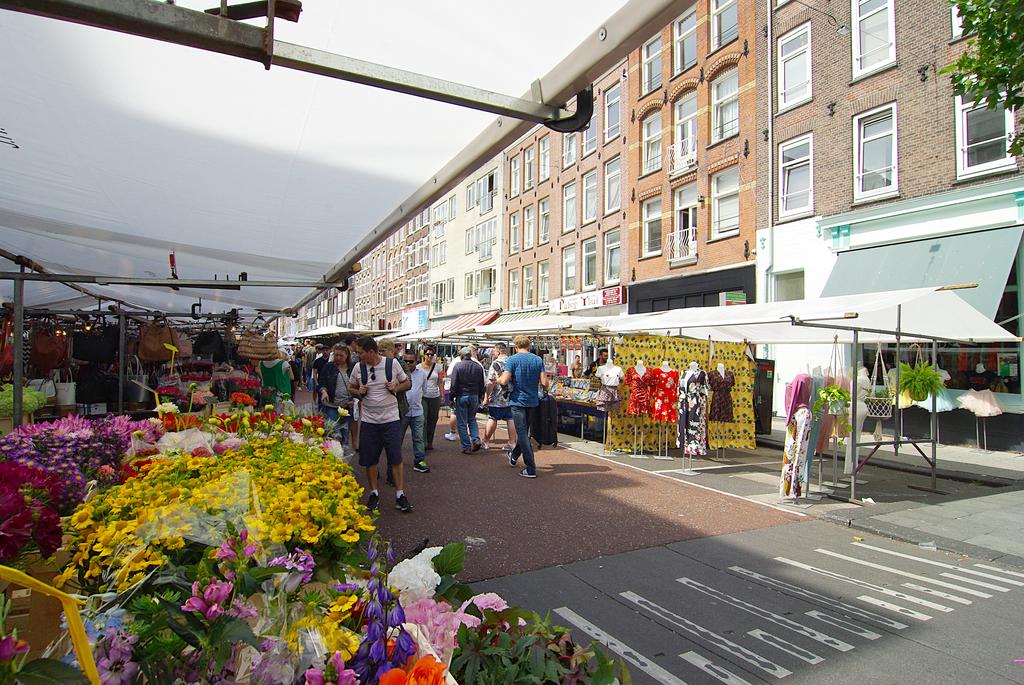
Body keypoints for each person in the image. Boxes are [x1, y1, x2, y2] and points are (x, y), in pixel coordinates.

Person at [349, 336, 412, 513]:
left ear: (371, 351)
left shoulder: (392, 364)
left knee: (396, 458)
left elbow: (406, 382)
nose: (358, 355)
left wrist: (395, 387)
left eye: (361, 353)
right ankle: (374, 493)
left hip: (390, 420)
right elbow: (351, 387)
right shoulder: (358, 367)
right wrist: (358, 391)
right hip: (369, 421)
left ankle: (400, 494)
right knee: (370, 459)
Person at [498, 335, 549, 479]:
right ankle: (514, 456)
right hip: (533, 401)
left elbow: (504, 380)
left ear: (516, 347)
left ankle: (530, 467)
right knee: (524, 432)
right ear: (529, 345)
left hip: (518, 400)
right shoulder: (538, 360)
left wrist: (497, 379)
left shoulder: (512, 360)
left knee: (522, 434)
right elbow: (544, 382)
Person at [449, 346, 485, 454]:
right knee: (472, 419)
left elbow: (454, 384)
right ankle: (475, 438)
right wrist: (480, 396)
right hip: (474, 395)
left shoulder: (458, 366)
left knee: (462, 422)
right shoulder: (478, 366)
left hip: (462, 395)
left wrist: (451, 397)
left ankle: (466, 446)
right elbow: (482, 384)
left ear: (461, 355)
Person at [317, 343, 353, 451]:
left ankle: (344, 454)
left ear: (347, 355)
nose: (338, 358)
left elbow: (357, 385)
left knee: (345, 432)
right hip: (332, 404)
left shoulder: (353, 368)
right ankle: (334, 453)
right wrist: (324, 391)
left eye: (341, 355)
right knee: (333, 432)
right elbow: (322, 382)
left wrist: (354, 400)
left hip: (347, 406)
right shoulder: (329, 367)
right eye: (336, 355)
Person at [482, 343, 516, 450]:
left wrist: (486, 396)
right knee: (510, 419)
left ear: (497, 351)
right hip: (510, 395)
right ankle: (512, 442)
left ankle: (486, 441)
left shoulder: (496, 363)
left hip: (497, 396)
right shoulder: (512, 362)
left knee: (493, 418)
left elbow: (491, 382)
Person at [400, 349, 430, 473]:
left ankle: (419, 461)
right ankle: (395, 461)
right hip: (402, 412)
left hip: (417, 411)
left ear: (416, 361)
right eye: (405, 361)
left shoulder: (422, 374)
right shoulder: (398, 373)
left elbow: (424, 390)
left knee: (418, 438)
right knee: (398, 438)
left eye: (411, 361)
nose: (408, 363)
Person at [419, 346, 443, 450]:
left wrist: (442, 395)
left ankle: (430, 442)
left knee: (433, 420)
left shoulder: (438, 367)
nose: (429, 356)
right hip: (423, 396)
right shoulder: (418, 367)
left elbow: (440, 382)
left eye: (431, 354)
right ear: (424, 355)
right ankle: (423, 442)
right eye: (427, 354)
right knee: (423, 420)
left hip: (435, 396)